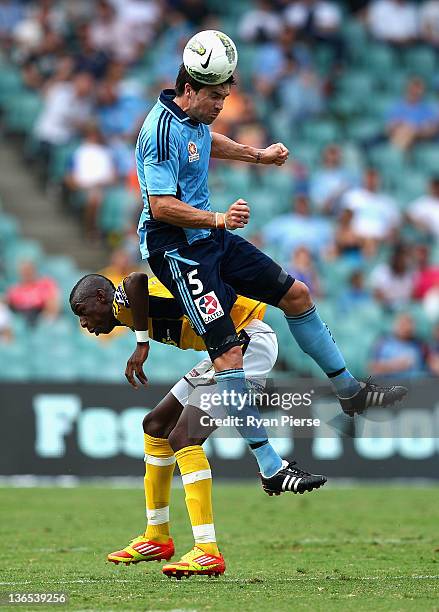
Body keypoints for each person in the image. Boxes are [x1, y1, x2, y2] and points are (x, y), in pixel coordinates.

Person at [134, 43, 407, 492]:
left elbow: (204, 143)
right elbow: (161, 207)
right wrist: (219, 218)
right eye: (214, 99)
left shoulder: (193, 121)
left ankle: (350, 391)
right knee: (228, 354)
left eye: (225, 98)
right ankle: (270, 467)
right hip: (177, 250)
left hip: (210, 238)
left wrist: (256, 155)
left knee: (296, 294)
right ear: (188, 89)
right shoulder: (160, 131)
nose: (221, 107)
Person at [69, 272, 326, 578]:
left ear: (101, 298)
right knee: (155, 425)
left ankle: (207, 550)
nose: (84, 324)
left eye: (83, 313)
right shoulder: (125, 313)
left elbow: (135, 280)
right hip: (222, 351)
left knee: (184, 438)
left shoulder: (119, 302)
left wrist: (141, 344)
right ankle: (157, 535)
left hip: (245, 345)